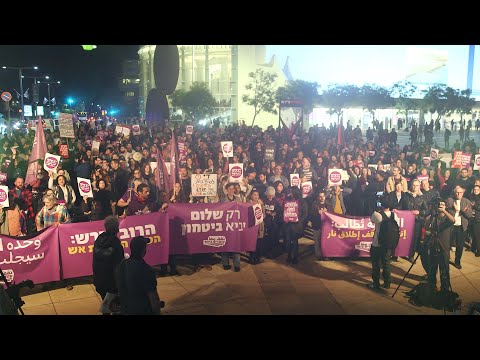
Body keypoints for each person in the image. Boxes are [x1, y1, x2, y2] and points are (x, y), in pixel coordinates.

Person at [116, 236, 163, 315]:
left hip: (126, 309)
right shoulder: (147, 270)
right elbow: (153, 298)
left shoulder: (122, 264)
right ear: (144, 250)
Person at [92, 216, 125, 314]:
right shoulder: (116, 244)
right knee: (116, 308)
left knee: (107, 305)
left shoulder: (99, 239)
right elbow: (119, 266)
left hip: (99, 281)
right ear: (117, 229)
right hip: (111, 283)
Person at [367, 198, 399, 290]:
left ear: (382, 205)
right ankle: (387, 283)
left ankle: (376, 283)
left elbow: (372, 221)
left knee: (376, 264)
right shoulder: (394, 215)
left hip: (377, 243)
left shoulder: (377, 215)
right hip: (388, 244)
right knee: (386, 263)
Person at [425, 199, 455, 292]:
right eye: (439, 204)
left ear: (446, 206)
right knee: (432, 268)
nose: (441, 206)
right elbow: (426, 227)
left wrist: (444, 211)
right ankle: (432, 286)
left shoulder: (447, 217)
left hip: (444, 247)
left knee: (444, 269)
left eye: (443, 204)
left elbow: (453, 220)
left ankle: (445, 289)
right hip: (434, 245)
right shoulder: (434, 217)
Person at [447, 186, 473, 269]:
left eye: (460, 192)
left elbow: (469, 215)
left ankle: (457, 261)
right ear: (454, 193)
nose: (459, 194)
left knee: (460, 245)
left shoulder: (467, 201)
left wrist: (463, 211)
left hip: (462, 227)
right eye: (457, 192)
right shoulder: (450, 200)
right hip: (451, 226)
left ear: (463, 193)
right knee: (448, 244)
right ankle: (445, 259)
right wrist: (456, 211)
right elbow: (448, 213)